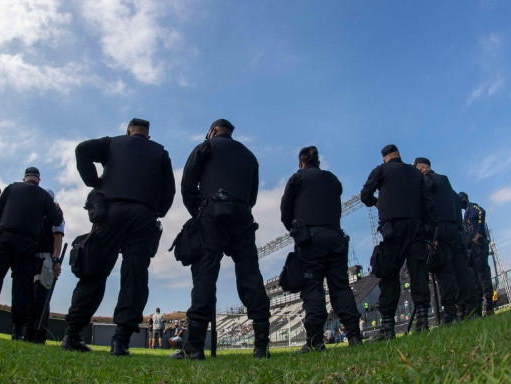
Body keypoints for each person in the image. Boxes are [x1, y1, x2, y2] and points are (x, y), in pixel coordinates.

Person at [62, 118, 175, 356]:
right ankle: (120, 341)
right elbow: (169, 189)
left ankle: (72, 334)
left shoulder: (112, 143)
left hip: (110, 212)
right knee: (135, 276)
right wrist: (157, 211)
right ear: (148, 135)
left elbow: (82, 149)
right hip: (143, 215)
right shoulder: (159, 152)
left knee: (94, 271)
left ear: (128, 131)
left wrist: (94, 182)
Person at [172, 118, 271, 360]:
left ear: (213, 131)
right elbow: (253, 196)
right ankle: (261, 346)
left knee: (205, 275)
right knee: (250, 275)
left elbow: (187, 186)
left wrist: (199, 211)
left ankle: (195, 347)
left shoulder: (204, 147)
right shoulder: (249, 156)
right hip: (242, 216)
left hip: (210, 213)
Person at [279, 146, 362, 351]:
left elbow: (285, 213)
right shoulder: (333, 179)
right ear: (318, 162)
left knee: (312, 287)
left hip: (310, 240)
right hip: (335, 236)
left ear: (301, 163)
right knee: (340, 286)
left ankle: (315, 340)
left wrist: (298, 230)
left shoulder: (297, 179)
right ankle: (354, 335)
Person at [360, 144, 436, 341]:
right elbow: (428, 205)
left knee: (389, 275)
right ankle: (422, 321)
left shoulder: (381, 171)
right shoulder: (416, 173)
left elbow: (365, 195)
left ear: (384, 157)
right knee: (419, 273)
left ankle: (388, 327)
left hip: (392, 230)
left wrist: (378, 204)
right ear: (399, 155)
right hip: (416, 228)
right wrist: (429, 235)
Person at [0, 167, 62, 338]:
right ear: (39, 180)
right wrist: (52, 207)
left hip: (4, 239)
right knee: (21, 287)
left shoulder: (11, 188)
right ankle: (16, 331)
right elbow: (57, 220)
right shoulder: (44, 196)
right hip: (27, 245)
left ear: (24, 179)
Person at [414, 158, 475, 323]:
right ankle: (472, 308)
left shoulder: (429, 180)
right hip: (455, 231)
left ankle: (450, 314)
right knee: (462, 270)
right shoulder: (447, 184)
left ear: (425, 168)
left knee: (444, 273)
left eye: (418, 170)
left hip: (440, 232)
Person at [26, 188, 64, 344]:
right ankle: (28, 333)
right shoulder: (34, 212)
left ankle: (39, 335)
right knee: (28, 297)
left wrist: (55, 260)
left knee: (41, 297)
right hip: (30, 257)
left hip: (46, 258)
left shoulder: (55, 214)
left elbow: (58, 238)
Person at [458, 191, 495, 317]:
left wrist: (479, 232)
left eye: (461, 200)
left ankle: (489, 307)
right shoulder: (466, 215)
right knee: (476, 282)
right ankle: (478, 311)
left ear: (465, 198)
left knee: (483, 277)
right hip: (472, 251)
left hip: (479, 247)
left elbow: (482, 212)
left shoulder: (474, 208)